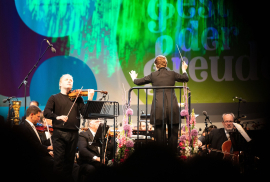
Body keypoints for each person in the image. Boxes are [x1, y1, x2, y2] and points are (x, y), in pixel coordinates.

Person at [129, 55, 189, 152]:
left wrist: (133, 77)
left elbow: (137, 82)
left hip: (158, 108)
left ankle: (161, 160)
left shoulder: (153, 75)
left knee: (159, 136)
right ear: (166, 64)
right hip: (172, 107)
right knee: (173, 135)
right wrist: (184, 69)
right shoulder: (172, 74)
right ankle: (172, 159)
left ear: (156, 65)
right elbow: (185, 78)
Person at [44, 74, 94, 182]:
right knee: (58, 162)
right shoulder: (54, 98)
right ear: (60, 83)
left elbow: (85, 114)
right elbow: (46, 113)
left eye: (71, 80)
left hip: (74, 133)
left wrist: (89, 99)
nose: (69, 81)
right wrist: (58, 117)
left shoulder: (78, 98)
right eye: (66, 79)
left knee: (69, 163)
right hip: (59, 133)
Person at [22, 105, 54, 180]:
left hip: (39, 154)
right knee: (54, 163)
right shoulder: (24, 127)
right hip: (33, 158)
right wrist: (47, 148)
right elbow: (32, 144)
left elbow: (40, 142)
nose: (39, 119)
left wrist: (53, 138)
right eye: (38, 116)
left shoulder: (32, 126)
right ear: (32, 115)